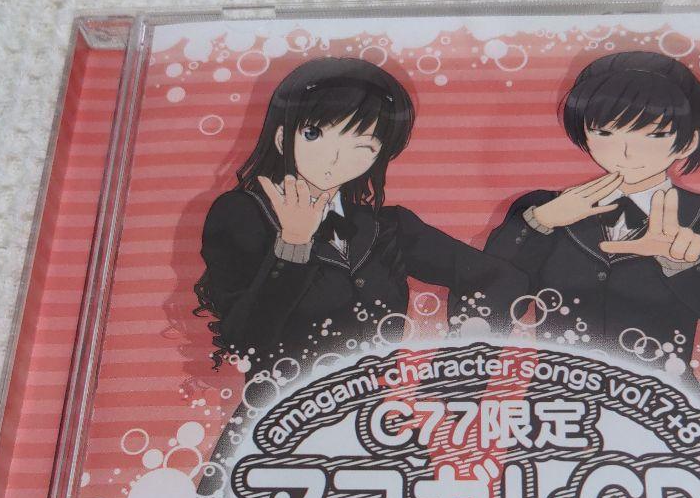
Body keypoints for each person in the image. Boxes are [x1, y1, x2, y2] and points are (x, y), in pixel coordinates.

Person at [484, 49, 700, 498]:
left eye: (651, 133)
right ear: (585, 134)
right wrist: (542, 222)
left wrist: (678, 262)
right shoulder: (544, 208)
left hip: (661, 402)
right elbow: (489, 295)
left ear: (685, 142)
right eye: (606, 131)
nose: (625, 149)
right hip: (553, 411)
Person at [195, 56, 524, 365]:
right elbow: (245, 341)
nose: (335, 158)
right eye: (314, 134)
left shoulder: (385, 227)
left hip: (374, 405)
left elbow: (500, 278)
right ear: (283, 138)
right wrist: (293, 244)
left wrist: (462, 357)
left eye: (362, 145)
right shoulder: (243, 215)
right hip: (282, 405)